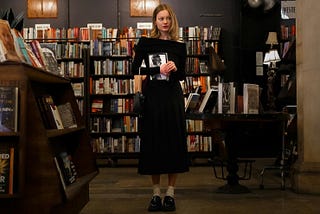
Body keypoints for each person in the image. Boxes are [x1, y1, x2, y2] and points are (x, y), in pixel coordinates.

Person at [131, 3, 189, 212]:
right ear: (155, 21)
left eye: (168, 18)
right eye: (161, 18)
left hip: (172, 97)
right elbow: (135, 68)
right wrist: (158, 68)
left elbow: (183, 75)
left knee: (173, 142)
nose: (165, 22)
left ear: (172, 21)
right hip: (153, 96)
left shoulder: (179, 46)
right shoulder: (146, 43)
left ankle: (170, 194)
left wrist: (174, 69)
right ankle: (156, 194)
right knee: (154, 143)